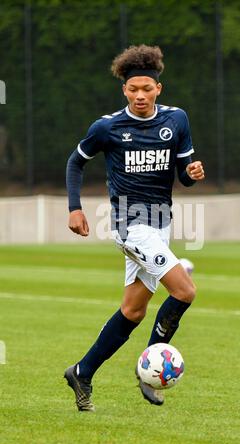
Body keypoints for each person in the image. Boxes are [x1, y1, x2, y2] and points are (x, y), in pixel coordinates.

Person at [64, 44, 205, 411]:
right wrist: (75, 209)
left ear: (159, 88)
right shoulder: (108, 127)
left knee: (133, 311)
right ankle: (150, 364)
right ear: (123, 90)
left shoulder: (177, 120)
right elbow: (75, 162)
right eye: (132, 89)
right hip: (130, 225)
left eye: (146, 89)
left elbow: (183, 176)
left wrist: (191, 175)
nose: (140, 95)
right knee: (185, 291)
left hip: (161, 224)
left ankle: (82, 370)